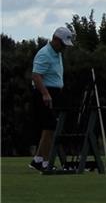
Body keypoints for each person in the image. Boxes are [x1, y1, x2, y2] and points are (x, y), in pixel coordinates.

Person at [29, 26, 74, 172]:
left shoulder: (57, 53)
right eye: (62, 44)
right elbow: (36, 76)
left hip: (54, 93)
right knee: (49, 127)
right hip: (45, 93)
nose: (64, 48)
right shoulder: (45, 53)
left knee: (49, 128)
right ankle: (45, 162)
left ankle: (38, 159)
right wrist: (45, 94)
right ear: (55, 39)